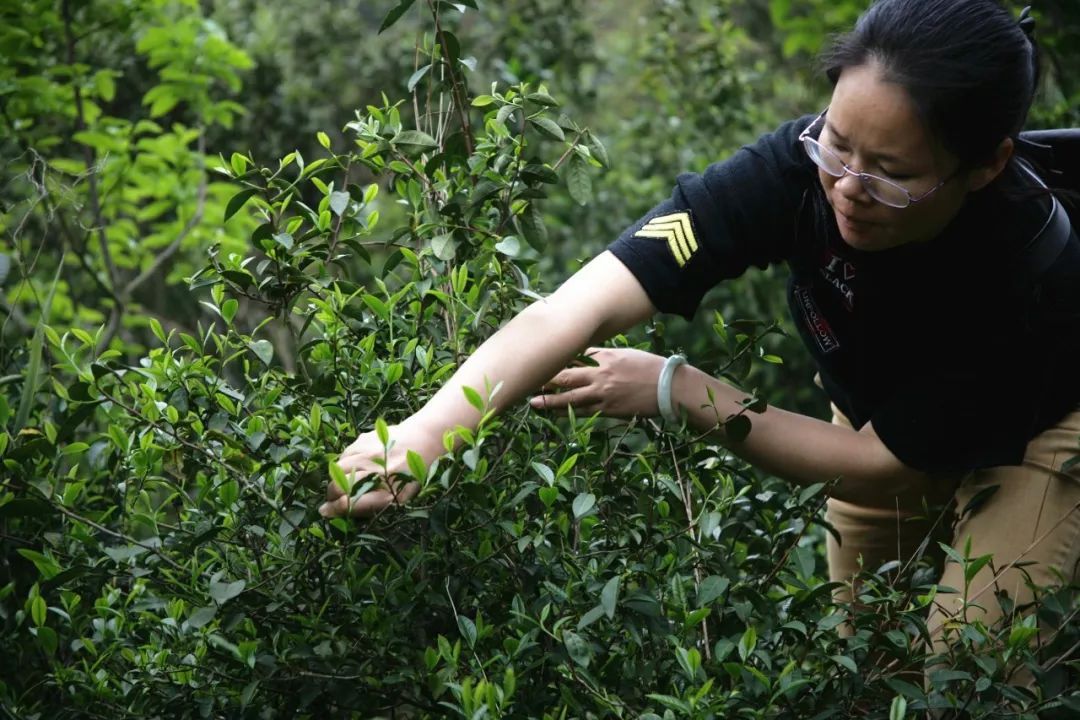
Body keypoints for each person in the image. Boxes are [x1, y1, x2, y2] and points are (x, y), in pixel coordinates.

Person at [322, 0, 1080, 671]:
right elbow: (574, 307)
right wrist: (428, 431)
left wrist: (677, 389)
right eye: (838, 144)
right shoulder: (791, 169)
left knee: (967, 665)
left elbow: (876, 465)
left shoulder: (1021, 268)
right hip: (878, 408)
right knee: (857, 656)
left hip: (1036, 428)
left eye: (890, 173)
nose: (848, 188)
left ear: (985, 166)